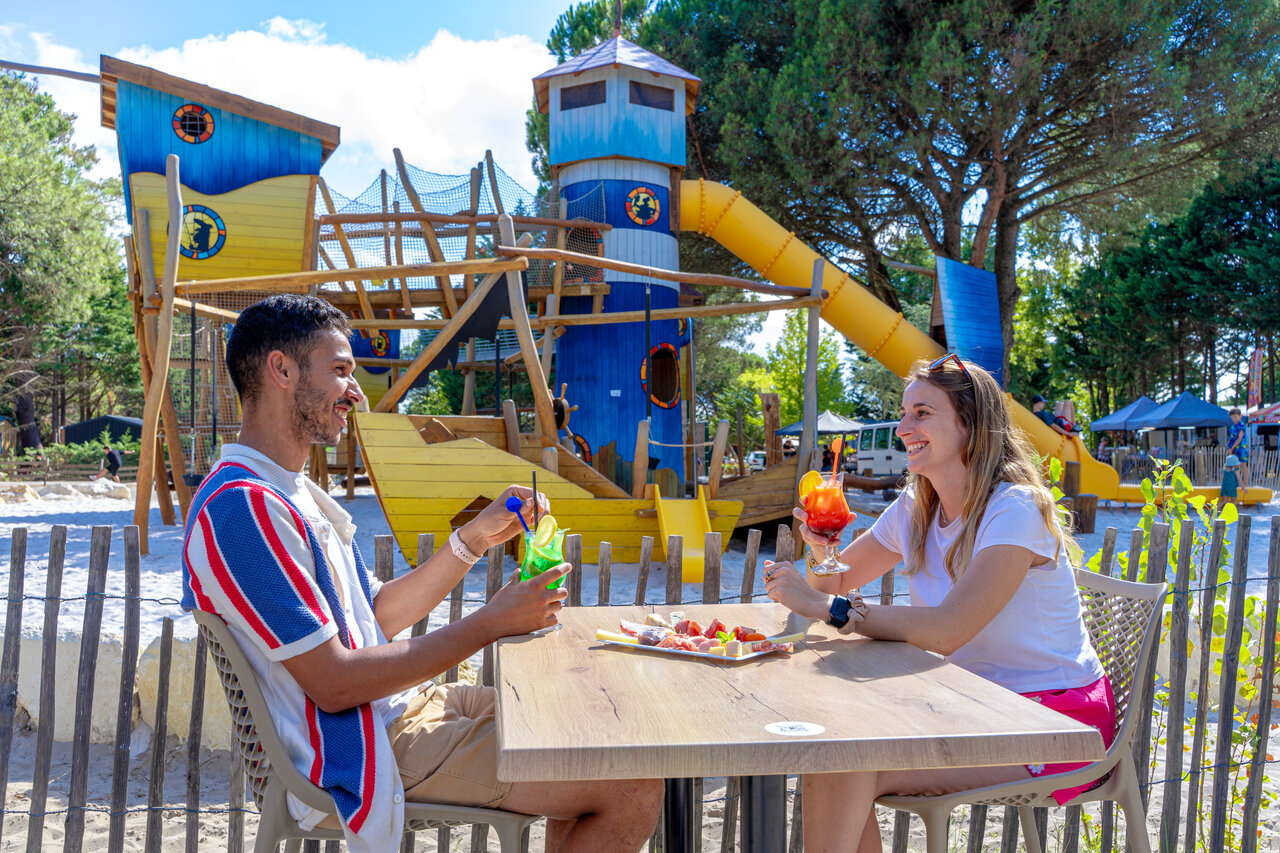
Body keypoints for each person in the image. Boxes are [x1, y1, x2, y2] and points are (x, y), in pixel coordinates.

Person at [181, 295, 661, 853]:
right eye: (339, 370)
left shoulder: (283, 493)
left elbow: (375, 615)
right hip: (358, 747)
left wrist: (473, 539)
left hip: (399, 713)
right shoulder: (241, 509)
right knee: (629, 782)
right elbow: (334, 684)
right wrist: (490, 623)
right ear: (281, 370)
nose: (355, 392)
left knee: (602, 728)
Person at [762, 354, 1112, 853]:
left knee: (841, 763)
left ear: (971, 424)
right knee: (834, 751)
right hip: (971, 705)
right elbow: (835, 582)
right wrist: (823, 553)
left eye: (921, 413)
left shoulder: (1013, 508)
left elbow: (948, 629)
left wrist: (829, 611)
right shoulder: (917, 503)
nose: (903, 428)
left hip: (1055, 723)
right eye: (904, 413)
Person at [1226, 407, 1250, 488]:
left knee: (1243, 465)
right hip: (1234, 448)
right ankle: (1237, 483)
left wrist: (1232, 447)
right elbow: (1232, 438)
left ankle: (1245, 483)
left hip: (1241, 448)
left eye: (1235, 417)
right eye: (1232, 417)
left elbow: (1239, 438)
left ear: (1240, 416)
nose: (1233, 419)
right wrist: (1229, 447)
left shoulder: (1241, 425)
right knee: (1235, 465)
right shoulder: (1233, 426)